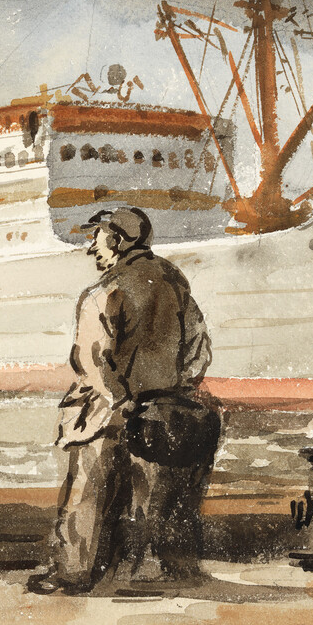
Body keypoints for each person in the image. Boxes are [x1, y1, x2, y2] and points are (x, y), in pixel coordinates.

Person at [26, 206, 216, 595]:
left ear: (117, 239)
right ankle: (156, 570)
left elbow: (91, 361)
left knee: (88, 494)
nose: (89, 247)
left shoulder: (102, 293)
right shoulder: (174, 284)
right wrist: (175, 390)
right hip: (163, 410)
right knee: (153, 496)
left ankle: (74, 573)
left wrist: (121, 400)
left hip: (110, 413)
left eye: (96, 237)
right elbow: (198, 347)